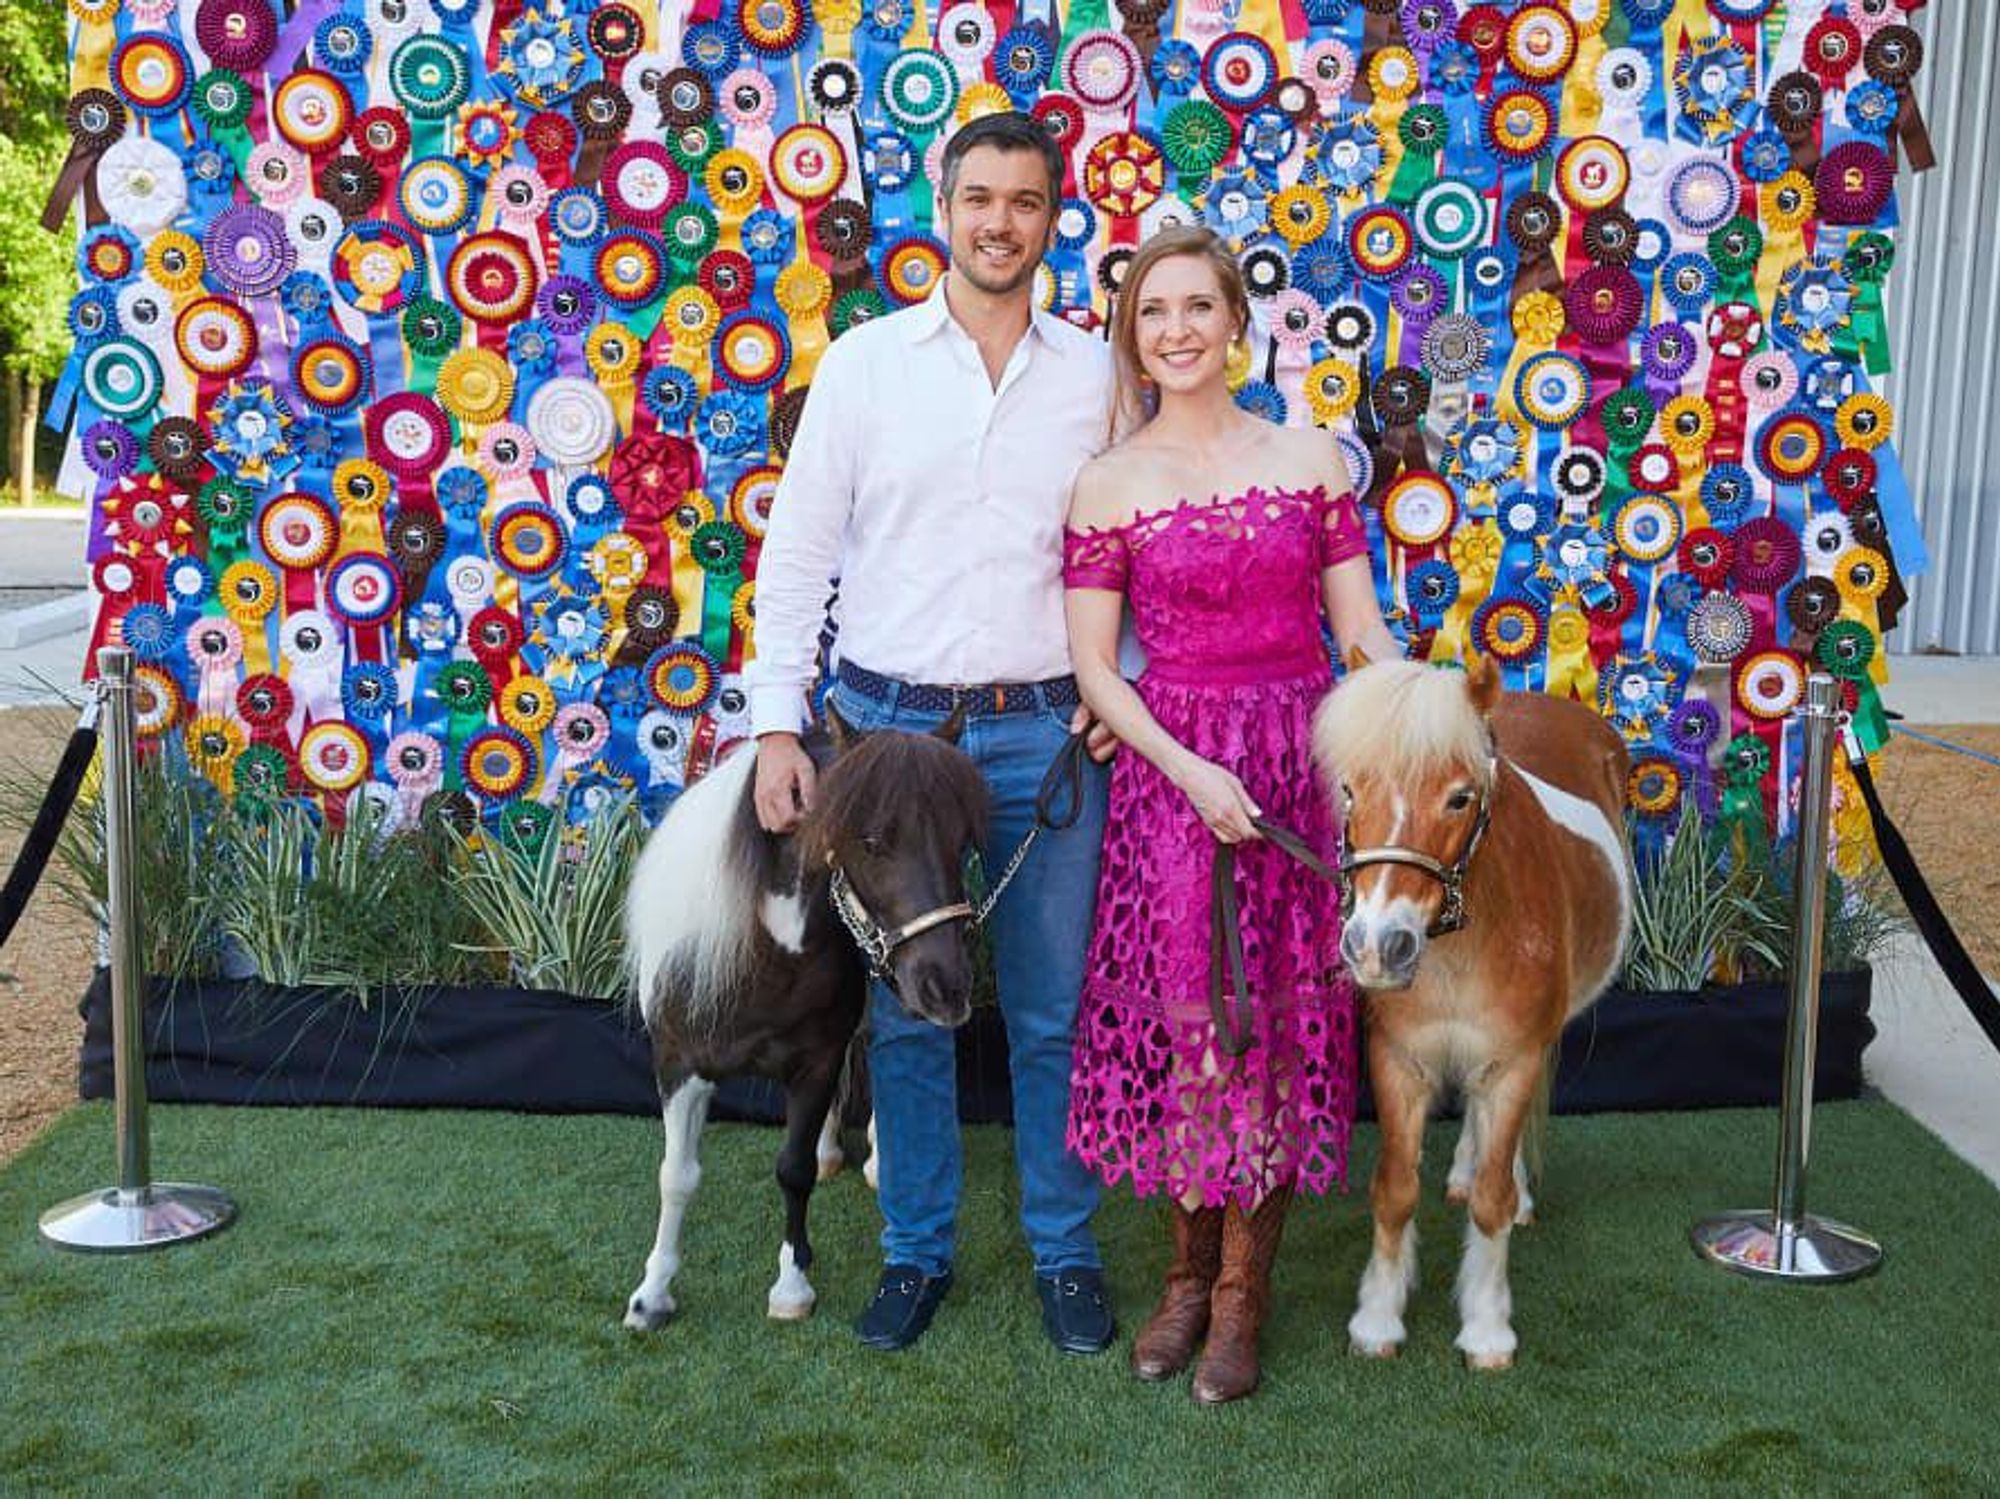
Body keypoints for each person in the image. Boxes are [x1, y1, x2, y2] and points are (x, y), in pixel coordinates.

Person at [746, 112, 1117, 1356]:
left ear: (1052, 217)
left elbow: (1136, 553)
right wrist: (774, 727)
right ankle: (916, 1252)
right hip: (888, 736)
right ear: (941, 208)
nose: (997, 221)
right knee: (907, 1011)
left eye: (1022, 200)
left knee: (1052, 1009)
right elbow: (797, 549)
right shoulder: (863, 363)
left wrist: (1124, 693)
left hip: (1045, 735)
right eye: (978, 198)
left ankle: (1065, 1253)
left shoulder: (1096, 376)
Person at [1062, 226, 1402, 1402]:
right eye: (1152, 312)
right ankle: (1185, 1279)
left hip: (1296, 760)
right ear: (1131, 336)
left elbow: (1356, 632)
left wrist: (1412, 713)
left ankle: (1246, 1294)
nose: (1176, 330)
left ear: (1236, 323)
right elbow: (1097, 671)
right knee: (1193, 1027)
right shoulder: (1105, 482)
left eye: (1196, 306)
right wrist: (1189, 771)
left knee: (1279, 1030)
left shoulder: (1310, 459)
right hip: (1173, 781)